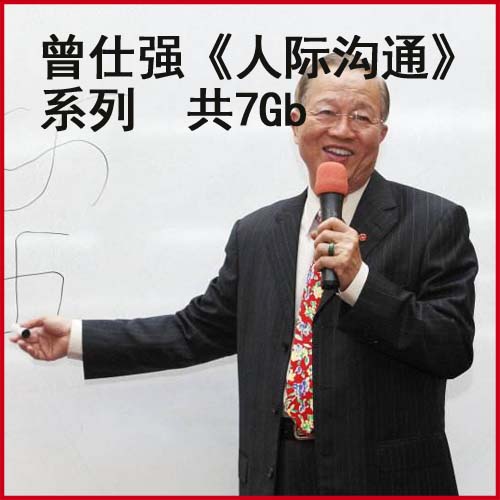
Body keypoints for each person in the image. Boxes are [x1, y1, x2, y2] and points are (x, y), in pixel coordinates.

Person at [10, 54, 478, 495]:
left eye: (361, 117)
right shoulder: (258, 233)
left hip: (385, 480)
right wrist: (76, 338)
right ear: (296, 123)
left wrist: (360, 282)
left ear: (382, 132)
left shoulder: (433, 222)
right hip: (277, 472)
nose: (342, 129)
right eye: (326, 112)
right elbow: (192, 332)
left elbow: (451, 348)